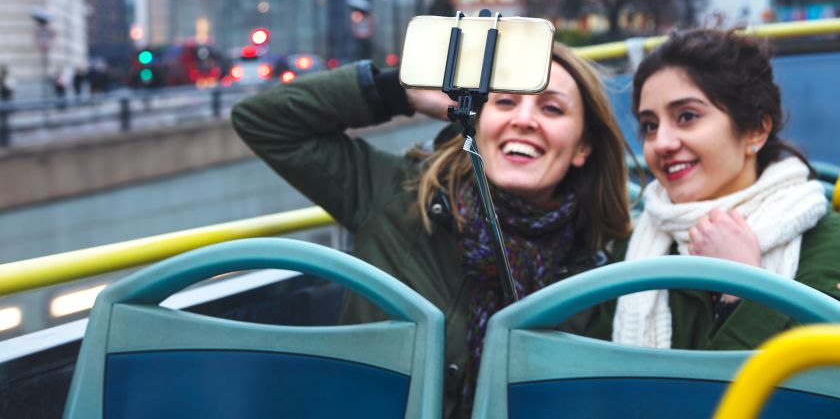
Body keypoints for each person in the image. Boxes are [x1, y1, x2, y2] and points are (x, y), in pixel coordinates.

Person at [231, 43, 632, 417]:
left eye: (552, 109)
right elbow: (262, 121)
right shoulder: (395, 192)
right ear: (478, 120)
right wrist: (398, 92)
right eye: (505, 101)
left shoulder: (601, 259)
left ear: (583, 147)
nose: (524, 120)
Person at [607, 27, 840, 350]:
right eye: (650, 126)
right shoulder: (632, 250)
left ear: (755, 131)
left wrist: (743, 290)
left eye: (687, 116)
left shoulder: (838, 255)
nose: (662, 143)